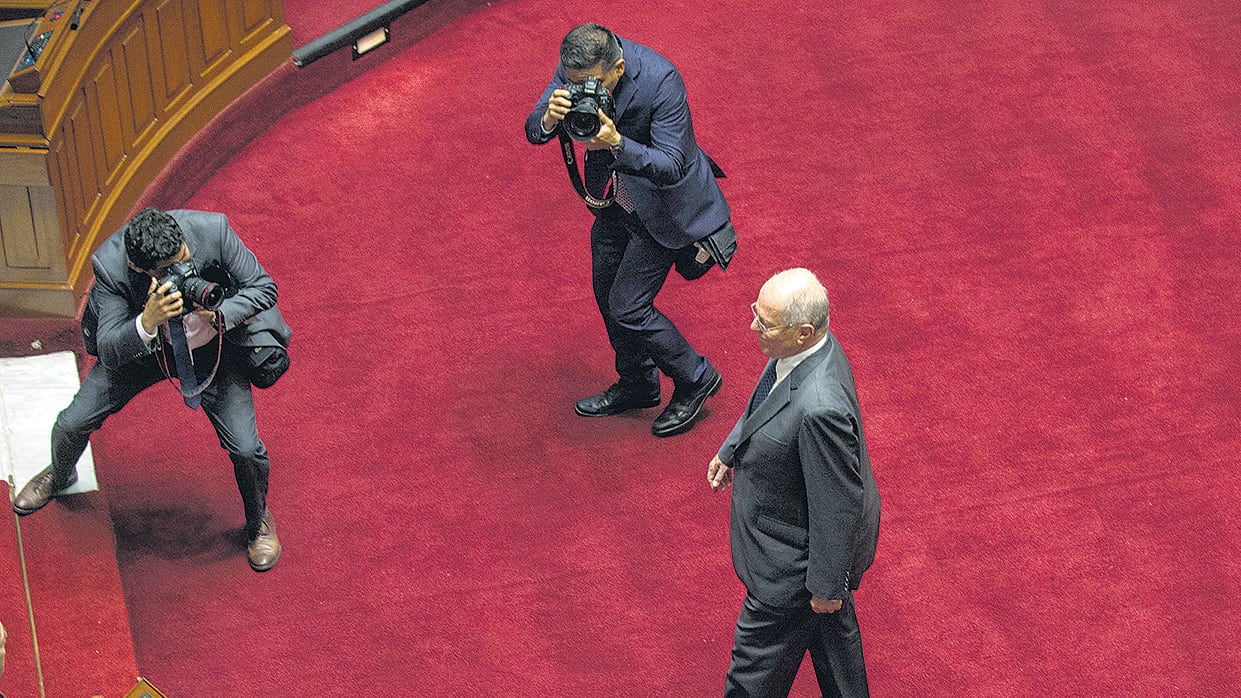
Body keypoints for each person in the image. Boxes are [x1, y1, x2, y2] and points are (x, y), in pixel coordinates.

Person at [10, 208, 291, 572]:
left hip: (212, 348)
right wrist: (147, 321)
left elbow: (263, 287)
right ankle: (61, 475)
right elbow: (109, 347)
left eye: (184, 258)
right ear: (139, 267)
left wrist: (219, 315)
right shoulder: (112, 267)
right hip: (146, 352)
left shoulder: (212, 230)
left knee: (246, 447)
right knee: (71, 422)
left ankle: (259, 521)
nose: (183, 268)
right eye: (170, 267)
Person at [525, 23, 731, 437]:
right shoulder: (578, 67)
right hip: (612, 201)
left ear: (618, 67)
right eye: (573, 83)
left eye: (591, 85)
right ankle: (638, 382)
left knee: (628, 306)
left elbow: (673, 164)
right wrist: (548, 119)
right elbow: (534, 129)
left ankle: (695, 376)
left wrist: (617, 141)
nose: (582, 91)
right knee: (605, 294)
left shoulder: (662, 80)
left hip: (661, 210)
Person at [707, 269, 881, 697]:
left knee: (751, 679)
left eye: (763, 323)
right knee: (835, 649)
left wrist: (824, 586)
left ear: (804, 331)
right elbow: (769, 397)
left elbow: (837, 503)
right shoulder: (806, 351)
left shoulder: (820, 408)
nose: (752, 327)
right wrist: (733, 447)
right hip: (814, 561)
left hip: (790, 571)